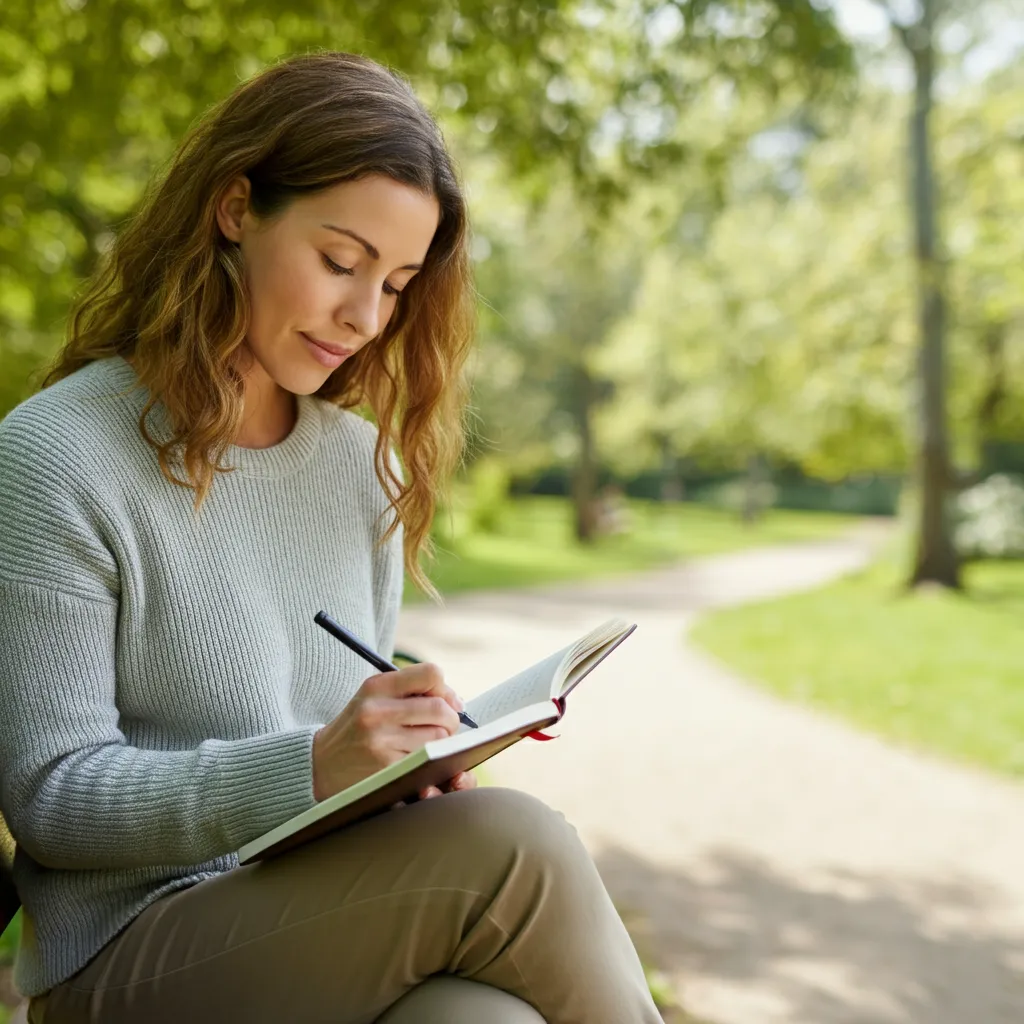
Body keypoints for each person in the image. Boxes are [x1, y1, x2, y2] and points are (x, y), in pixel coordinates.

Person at [0, 52, 662, 1024]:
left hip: (310, 914)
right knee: (518, 843)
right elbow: (52, 799)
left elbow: (338, 749)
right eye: (341, 263)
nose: (364, 316)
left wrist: (401, 774)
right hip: (124, 951)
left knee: (485, 1022)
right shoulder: (55, 454)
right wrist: (311, 763)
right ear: (235, 208)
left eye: (395, 283)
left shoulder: (361, 468)